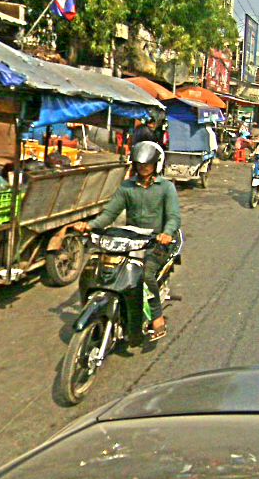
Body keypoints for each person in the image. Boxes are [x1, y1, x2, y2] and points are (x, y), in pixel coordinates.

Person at [74, 142, 180, 342]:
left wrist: (166, 234)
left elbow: (174, 217)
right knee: (102, 265)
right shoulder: (127, 187)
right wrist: (89, 225)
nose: (143, 168)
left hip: (157, 241)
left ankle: (157, 317)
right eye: (140, 164)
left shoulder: (166, 188)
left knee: (145, 274)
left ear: (156, 164)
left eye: (147, 164)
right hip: (131, 240)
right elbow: (109, 214)